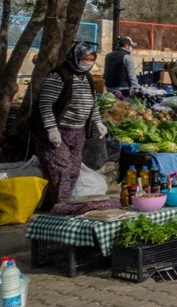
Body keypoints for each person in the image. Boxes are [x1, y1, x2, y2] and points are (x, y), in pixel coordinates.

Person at [31, 42, 119, 215]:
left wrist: (97, 122)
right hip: (57, 131)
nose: (88, 62)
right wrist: (51, 128)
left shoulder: (86, 78)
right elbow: (45, 103)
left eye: (91, 59)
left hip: (77, 131)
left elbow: (91, 104)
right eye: (85, 58)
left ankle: (53, 204)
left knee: (74, 168)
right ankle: (63, 205)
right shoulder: (59, 76)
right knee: (61, 168)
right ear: (75, 57)